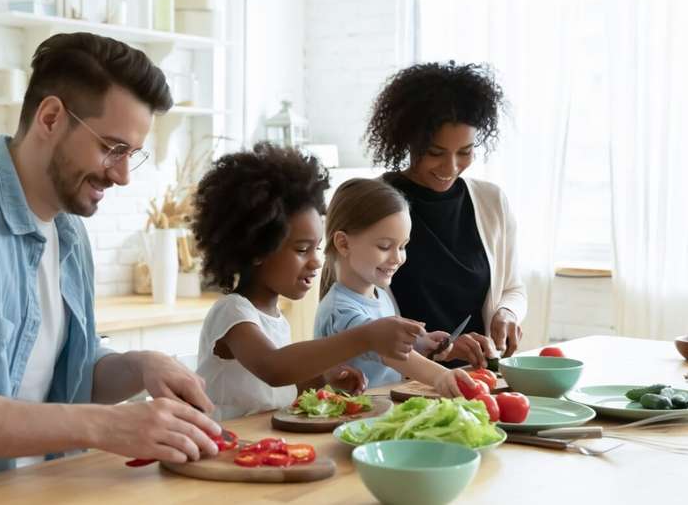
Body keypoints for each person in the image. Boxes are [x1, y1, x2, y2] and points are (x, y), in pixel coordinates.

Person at [0, 32, 222, 478]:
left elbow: (64, 374)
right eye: (112, 148)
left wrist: (138, 366)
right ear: (52, 117)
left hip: (45, 486)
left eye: (130, 155)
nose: (121, 176)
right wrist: (105, 426)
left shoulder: (70, 232)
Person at [191, 143, 432, 420]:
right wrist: (366, 337)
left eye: (316, 249)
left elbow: (274, 390)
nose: (317, 261)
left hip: (259, 446)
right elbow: (273, 369)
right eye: (302, 250)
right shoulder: (233, 312)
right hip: (221, 446)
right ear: (258, 249)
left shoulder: (275, 318)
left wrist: (323, 379)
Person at [364, 61, 527, 368]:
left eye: (465, 151)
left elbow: (513, 288)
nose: (450, 167)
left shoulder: (492, 202)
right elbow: (349, 319)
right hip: (401, 384)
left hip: (478, 378)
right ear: (407, 140)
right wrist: (436, 349)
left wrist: (507, 312)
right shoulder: (372, 203)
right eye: (436, 153)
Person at [314, 178, 474, 395]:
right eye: (385, 246)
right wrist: (440, 375)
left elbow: (384, 352)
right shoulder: (340, 310)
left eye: (403, 246)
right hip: (352, 421)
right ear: (343, 243)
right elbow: (386, 351)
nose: (398, 258)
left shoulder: (380, 295)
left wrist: (420, 344)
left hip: (379, 411)